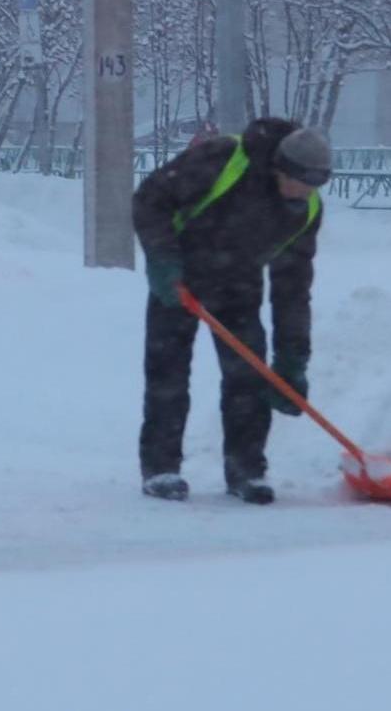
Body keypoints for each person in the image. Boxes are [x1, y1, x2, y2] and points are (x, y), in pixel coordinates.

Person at [130, 117, 332, 505]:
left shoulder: (304, 211)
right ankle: (161, 468)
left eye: (317, 185)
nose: (307, 192)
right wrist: (162, 260)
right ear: (280, 169)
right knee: (168, 373)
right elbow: (150, 198)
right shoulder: (225, 159)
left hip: (239, 285)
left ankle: (246, 471)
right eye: (303, 182)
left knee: (249, 375)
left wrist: (293, 358)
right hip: (179, 277)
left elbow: (293, 288)